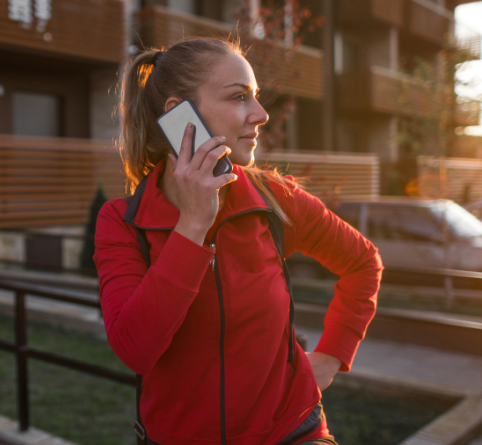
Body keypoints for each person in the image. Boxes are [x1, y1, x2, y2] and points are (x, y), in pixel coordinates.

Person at [93, 37, 383, 445]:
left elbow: (363, 262)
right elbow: (136, 349)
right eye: (239, 97)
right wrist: (192, 225)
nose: (261, 114)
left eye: (257, 97)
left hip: (292, 434)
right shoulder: (122, 223)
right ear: (181, 117)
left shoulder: (276, 200)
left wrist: (333, 355)